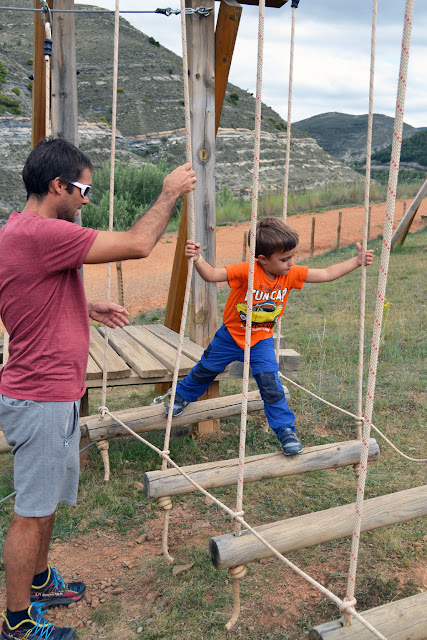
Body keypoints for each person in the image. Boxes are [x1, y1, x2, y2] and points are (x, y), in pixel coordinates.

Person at [0, 137, 196, 640]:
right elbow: (137, 244)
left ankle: (40, 582)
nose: (87, 200)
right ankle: (17, 622)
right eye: (83, 191)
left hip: (53, 392)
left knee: (45, 504)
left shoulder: (21, 233)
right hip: (41, 396)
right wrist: (169, 192)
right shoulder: (43, 232)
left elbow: (26, 292)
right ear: (56, 186)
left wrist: (87, 308)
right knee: (31, 511)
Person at [167, 217, 374, 457]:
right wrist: (198, 259)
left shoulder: (291, 274)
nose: (290, 263)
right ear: (263, 259)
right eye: (285, 259)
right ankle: (181, 396)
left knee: (270, 385)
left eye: (292, 257)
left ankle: (285, 430)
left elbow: (326, 273)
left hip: (261, 340)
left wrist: (356, 262)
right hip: (231, 336)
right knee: (206, 369)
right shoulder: (247, 270)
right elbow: (211, 275)